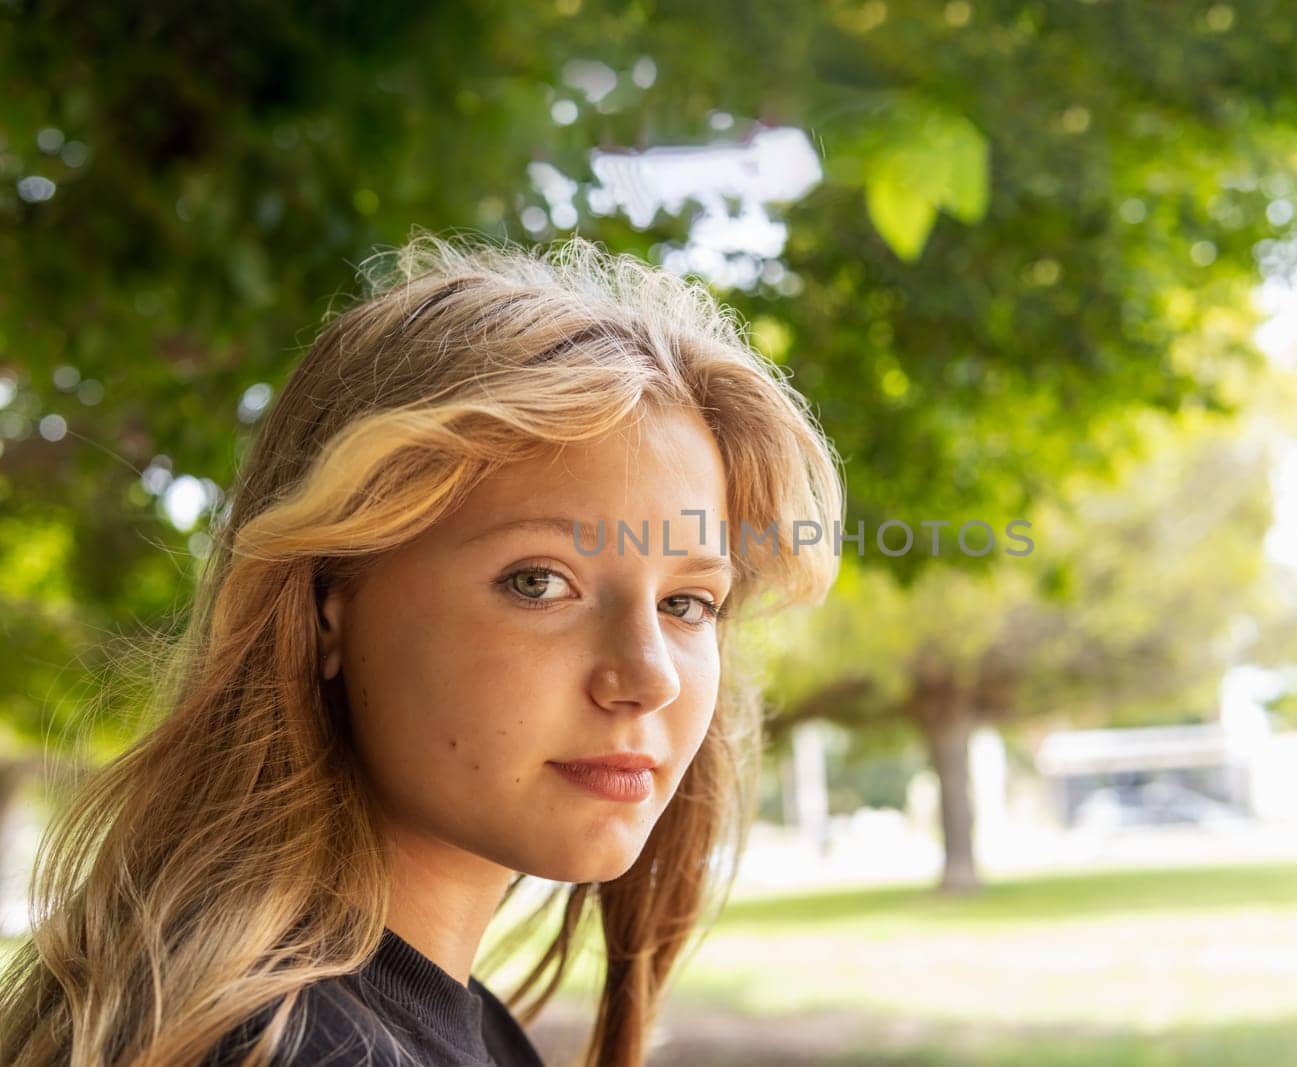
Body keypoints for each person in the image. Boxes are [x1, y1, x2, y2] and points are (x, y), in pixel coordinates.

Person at [0, 232, 844, 1066]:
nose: (651, 675)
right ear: (329, 607)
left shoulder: (416, 1020)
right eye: (539, 582)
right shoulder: (296, 1048)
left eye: (688, 602)